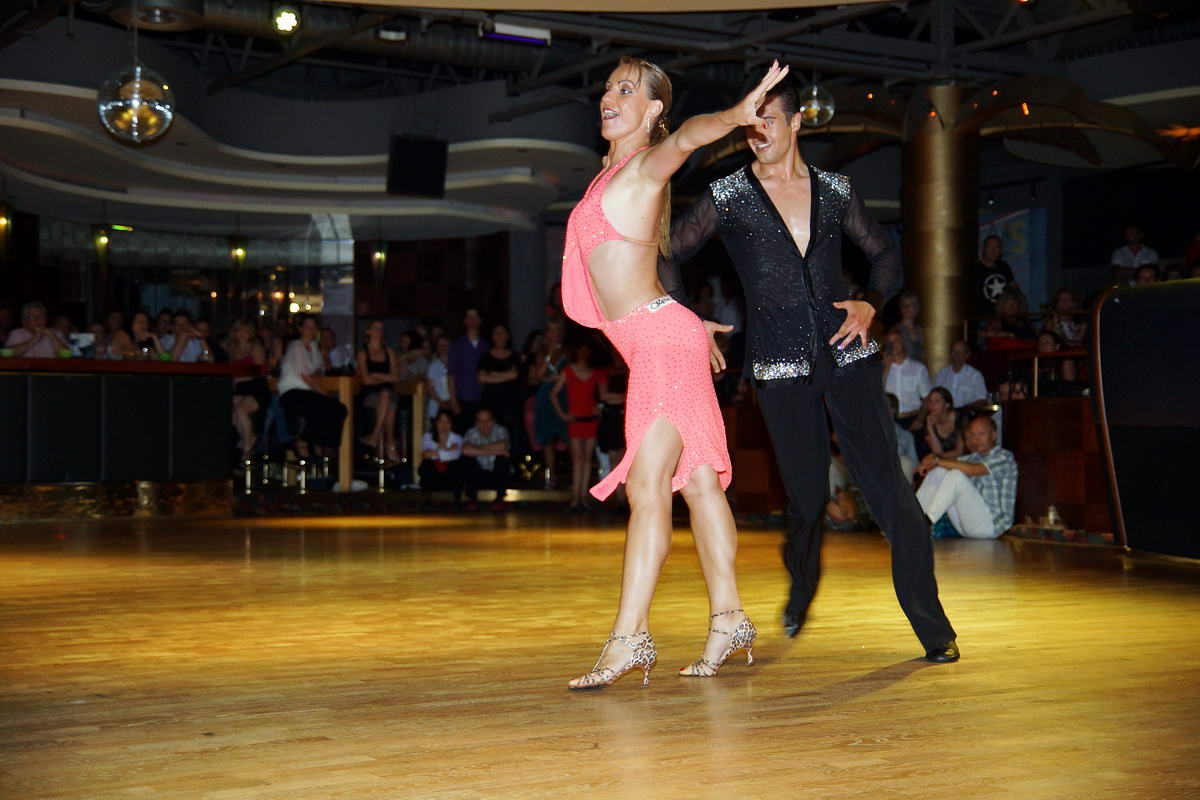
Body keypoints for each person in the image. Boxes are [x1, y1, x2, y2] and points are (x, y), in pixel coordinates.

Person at [663, 78, 958, 663]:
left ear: (798, 121)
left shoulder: (834, 189)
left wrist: (871, 301)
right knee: (807, 495)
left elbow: (886, 253)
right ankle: (801, 586)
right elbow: (667, 253)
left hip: (848, 351)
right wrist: (688, 320)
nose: (758, 132)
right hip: (778, 364)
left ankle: (933, 628)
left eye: (769, 119)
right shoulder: (728, 194)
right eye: (750, 122)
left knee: (891, 491)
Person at [562, 57, 790, 689]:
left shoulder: (645, 164)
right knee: (698, 483)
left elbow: (689, 137)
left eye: (626, 89)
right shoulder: (608, 175)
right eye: (608, 87)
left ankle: (629, 636)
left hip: (661, 343)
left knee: (647, 485)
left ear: (654, 109)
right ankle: (729, 619)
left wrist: (734, 116)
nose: (609, 96)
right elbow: (637, 273)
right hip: (663, 335)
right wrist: (690, 320)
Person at [916, 416, 1017, 539]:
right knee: (940, 471)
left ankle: (923, 523)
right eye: (973, 435)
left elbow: (973, 470)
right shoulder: (974, 457)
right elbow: (946, 462)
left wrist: (936, 460)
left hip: (991, 526)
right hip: (968, 524)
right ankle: (912, 517)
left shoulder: (1004, 457)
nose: (976, 439)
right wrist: (930, 459)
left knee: (956, 476)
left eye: (981, 434)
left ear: (994, 435)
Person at [278, 315, 347, 458]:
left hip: (307, 393)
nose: (311, 330)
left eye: (313, 327)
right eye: (308, 327)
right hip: (292, 393)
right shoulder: (296, 346)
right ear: (300, 329)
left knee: (336, 409)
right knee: (336, 407)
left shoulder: (314, 347)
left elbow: (320, 370)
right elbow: (307, 377)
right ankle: (308, 444)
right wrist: (326, 394)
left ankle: (321, 449)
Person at [551, 340, 607, 512]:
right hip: (575, 420)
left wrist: (599, 407)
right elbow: (553, 394)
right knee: (577, 459)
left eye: (586, 350)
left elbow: (603, 396)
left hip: (591, 419)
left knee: (587, 459)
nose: (583, 353)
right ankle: (576, 498)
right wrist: (563, 415)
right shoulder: (568, 371)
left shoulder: (596, 373)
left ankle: (582, 498)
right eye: (581, 350)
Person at [531, 318, 569, 488]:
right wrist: (549, 355)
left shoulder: (568, 352)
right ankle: (551, 474)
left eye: (557, 330)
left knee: (568, 434)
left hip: (564, 395)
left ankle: (570, 474)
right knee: (547, 438)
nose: (554, 334)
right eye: (551, 330)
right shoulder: (541, 352)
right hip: (545, 397)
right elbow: (538, 376)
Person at [477, 322, 524, 457]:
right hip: (490, 402)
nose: (499, 336)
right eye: (496, 333)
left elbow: (515, 375)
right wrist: (506, 375)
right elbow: (481, 378)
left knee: (511, 434)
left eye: (502, 332)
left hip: (510, 403)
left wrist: (493, 374)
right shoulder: (486, 356)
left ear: (507, 336)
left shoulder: (515, 356)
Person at [357, 319, 401, 461]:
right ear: (368, 331)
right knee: (390, 403)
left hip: (388, 391)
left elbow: (396, 377)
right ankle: (390, 444)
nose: (379, 331)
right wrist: (386, 378)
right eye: (376, 328)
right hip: (370, 393)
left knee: (387, 395)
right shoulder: (363, 353)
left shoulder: (389, 352)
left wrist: (377, 375)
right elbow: (366, 380)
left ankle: (375, 436)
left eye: (381, 329)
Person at [226, 319, 269, 459]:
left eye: (245, 331)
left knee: (240, 410)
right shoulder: (232, 348)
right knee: (231, 412)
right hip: (239, 388)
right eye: (239, 331)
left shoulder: (256, 347)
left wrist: (237, 379)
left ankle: (247, 448)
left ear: (251, 333)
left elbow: (260, 371)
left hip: (256, 387)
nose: (242, 334)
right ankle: (249, 439)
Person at [462, 407, 512, 510]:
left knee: (503, 460)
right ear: (476, 423)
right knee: (467, 461)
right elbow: (465, 450)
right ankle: (472, 499)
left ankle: (499, 499)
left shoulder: (501, 430)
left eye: (488, 421)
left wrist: (475, 448)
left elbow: (503, 446)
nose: (485, 425)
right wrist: (494, 451)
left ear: (493, 421)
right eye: (481, 421)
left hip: (496, 475)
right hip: (478, 475)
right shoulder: (471, 432)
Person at [882, 330, 931, 428]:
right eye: (890, 342)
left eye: (896, 341)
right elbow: (879, 393)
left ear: (903, 342)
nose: (893, 345)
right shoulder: (882, 369)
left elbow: (927, 398)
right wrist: (886, 368)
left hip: (912, 418)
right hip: (889, 420)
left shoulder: (918, 368)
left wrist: (920, 420)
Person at [448, 308, 487, 430]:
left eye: (475, 317)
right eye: (469, 317)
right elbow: (451, 374)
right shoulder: (456, 345)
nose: (472, 320)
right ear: (465, 321)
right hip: (462, 398)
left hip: (482, 398)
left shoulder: (486, 346)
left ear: (480, 320)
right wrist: (453, 401)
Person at [419, 409, 464, 506]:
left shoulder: (458, 438)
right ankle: (426, 499)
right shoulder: (428, 436)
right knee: (426, 465)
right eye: (441, 421)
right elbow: (425, 455)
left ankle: (457, 500)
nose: (444, 425)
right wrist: (447, 450)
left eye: (447, 421)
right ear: (436, 423)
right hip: (434, 474)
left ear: (451, 424)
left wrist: (436, 452)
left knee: (457, 465)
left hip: (450, 474)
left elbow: (455, 455)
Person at [932, 340, 988, 409]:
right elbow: (935, 396)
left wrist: (964, 409)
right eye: (954, 351)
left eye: (960, 352)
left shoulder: (975, 375)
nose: (956, 354)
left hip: (967, 413)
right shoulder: (942, 374)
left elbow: (982, 399)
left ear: (967, 355)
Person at [913, 387, 964, 461]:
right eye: (930, 401)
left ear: (947, 405)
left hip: (964, 460)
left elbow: (960, 452)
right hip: (942, 461)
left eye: (937, 401)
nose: (932, 405)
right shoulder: (928, 421)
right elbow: (937, 452)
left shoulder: (960, 417)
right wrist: (930, 427)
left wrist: (935, 459)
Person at [974, 235, 1018, 318]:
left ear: (1001, 251)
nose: (993, 250)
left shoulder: (1004, 267)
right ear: (983, 249)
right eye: (989, 247)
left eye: (996, 247)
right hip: (981, 317)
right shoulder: (975, 269)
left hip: (1003, 316)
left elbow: (1014, 289)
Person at [4, 301, 69, 358]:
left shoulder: (55, 333)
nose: (37, 320)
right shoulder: (16, 333)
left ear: (46, 319)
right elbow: (8, 355)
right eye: (32, 317)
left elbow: (67, 356)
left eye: (41, 316)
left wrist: (51, 335)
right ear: (24, 321)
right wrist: (35, 339)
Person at [424, 334, 456, 425]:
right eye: (440, 345)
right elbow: (430, 388)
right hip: (437, 406)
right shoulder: (433, 367)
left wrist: (452, 403)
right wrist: (441, 403)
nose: (443, 347)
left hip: (454, 405)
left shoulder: (458, 365)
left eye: (445, 345)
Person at [886, 393, 918, 484]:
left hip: (895, 473)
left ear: (893, 410)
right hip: (870, 469)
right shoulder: (865, 430)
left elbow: (915, 465)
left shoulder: (906, 436)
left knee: (906, 462)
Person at [889, 290, 925, 364]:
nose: (907, 308)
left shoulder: (920, 330)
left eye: (910, 305)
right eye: (904, 305)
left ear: (917, 308)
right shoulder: (896, 330)